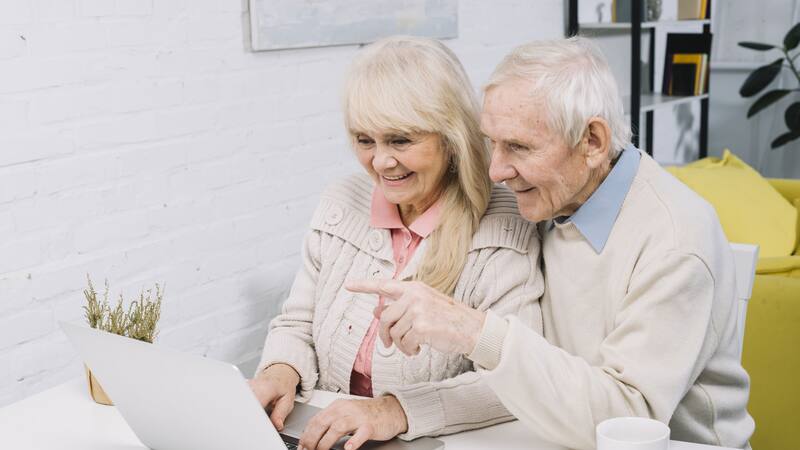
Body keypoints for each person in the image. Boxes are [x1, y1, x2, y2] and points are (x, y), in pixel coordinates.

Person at [348, 37, 754, 450]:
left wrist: (472, 330)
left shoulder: (675, 239)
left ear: (592, 142)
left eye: (519, 147)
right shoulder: (548, 199)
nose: (496, 171)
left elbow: (627, 423)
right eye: (492, 142)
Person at [249, 36, 543, 450]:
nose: (381, 162)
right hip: (324, 434)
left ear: (450, 135)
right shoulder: (340, 202)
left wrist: (392, 411)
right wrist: (280, 372)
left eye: (401, 140)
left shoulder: (504, 225)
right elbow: (297, 323)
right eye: (365, 141)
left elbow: (516, 376)